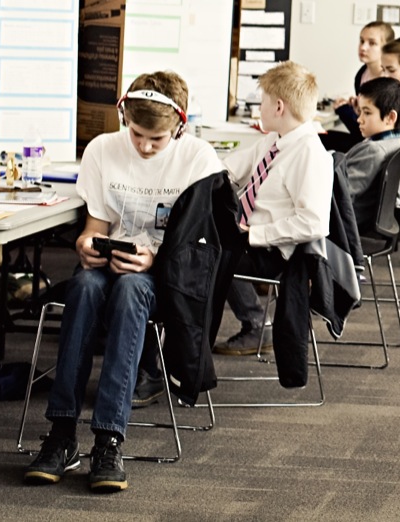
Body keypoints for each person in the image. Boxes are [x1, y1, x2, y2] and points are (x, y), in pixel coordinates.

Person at [23, 72, 222, 493]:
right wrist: (84, 245)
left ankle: (108, 439)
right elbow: (95, 226)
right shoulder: (102, 149)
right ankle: (61, 433)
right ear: (124, 118)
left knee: (131, 290)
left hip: (162, 277)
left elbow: (199, 248)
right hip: (106, 266)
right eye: (137, 134)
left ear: (180, 127)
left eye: (156, 139)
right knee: (83, 286)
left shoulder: (199, 158)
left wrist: (154, 259)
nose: (144, 146)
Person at [214, 61, 334, 357]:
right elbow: (232, 169)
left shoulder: (309, 153)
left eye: (262, 103)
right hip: (251, 236)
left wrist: (255, 234)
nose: (259, 110)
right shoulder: (275, 140)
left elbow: (314, 223)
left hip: (273, 250)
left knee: (205, 254)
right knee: (203, 239)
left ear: (279, 107)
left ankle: (253, 324)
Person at [337, 75, 400, 237]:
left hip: (347, 224)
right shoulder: (397, 142)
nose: (359, 119)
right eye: (360, 112)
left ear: (390, 117)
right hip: (362, 219)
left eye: (367, 113)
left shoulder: (374, 151)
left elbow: (340, 192)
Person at [326, 20, 395, 149]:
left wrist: (343, 110)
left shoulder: (388, 82)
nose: (363, 47)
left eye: (372, 43)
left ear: (386, 47)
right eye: (362, 41)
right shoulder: (362, 74)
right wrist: (356, 108)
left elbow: (370, 131)